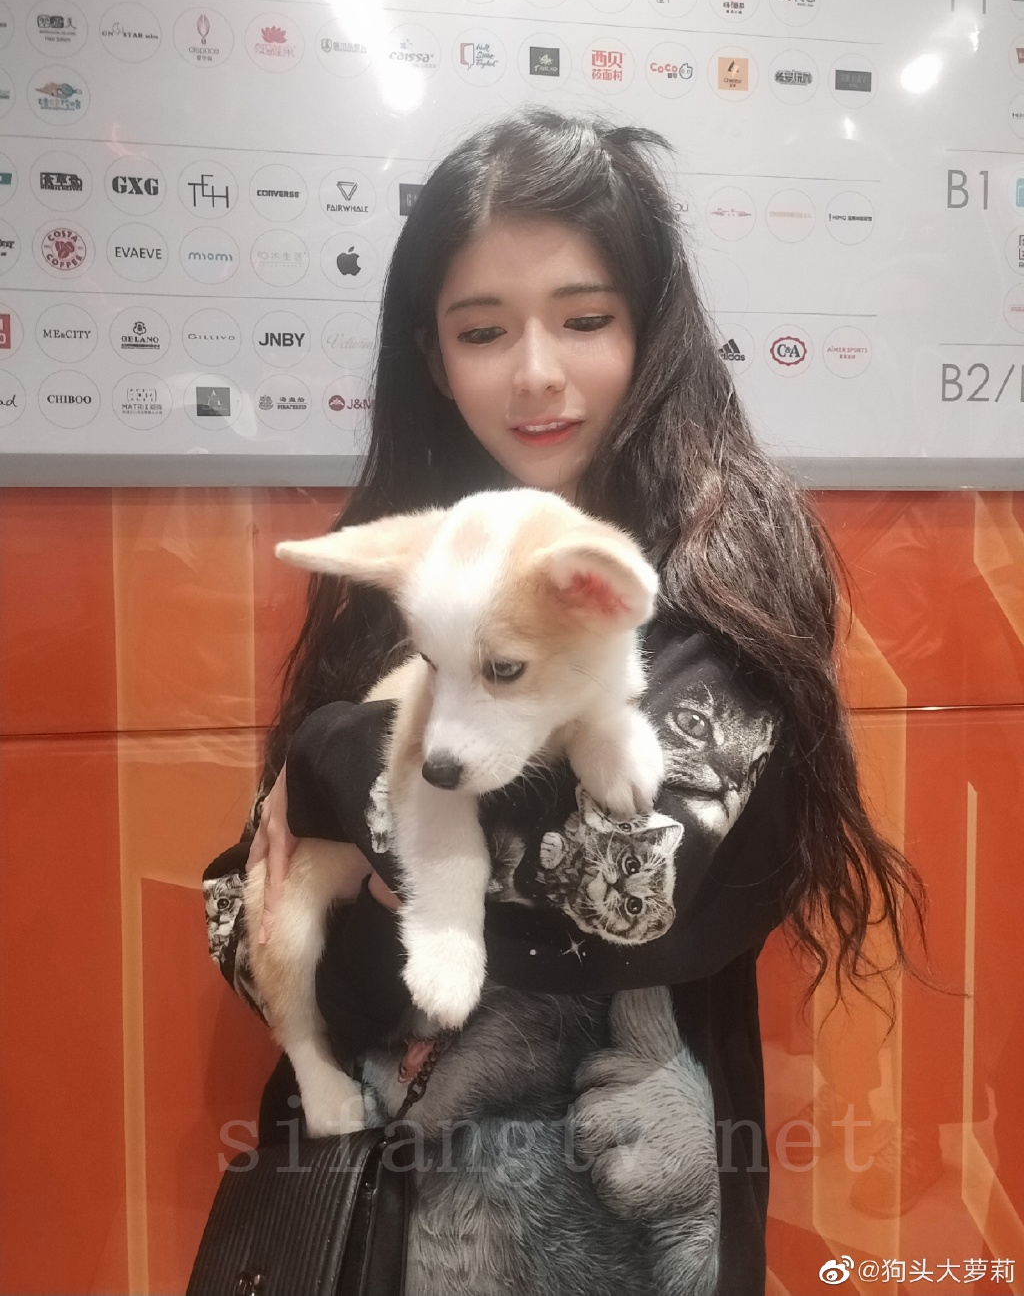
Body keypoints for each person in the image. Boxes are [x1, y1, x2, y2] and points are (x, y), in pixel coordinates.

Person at [203, 107, 925, 1295]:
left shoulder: (724, 567)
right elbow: (245, 909)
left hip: (625, 1212)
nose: (536, 371)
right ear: (433, 355)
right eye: (482, 331)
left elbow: (632, 889)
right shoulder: (407, 562)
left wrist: (344, 757)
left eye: (583, 319)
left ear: (648, 324)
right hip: (368, 1201)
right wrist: (374, 929)